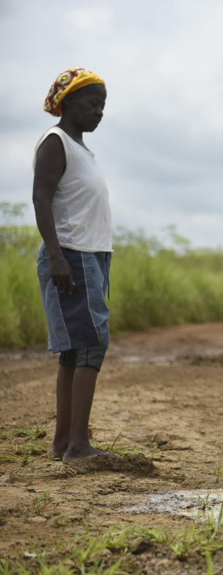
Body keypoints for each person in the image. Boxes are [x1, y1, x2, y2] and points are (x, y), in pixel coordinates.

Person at [32, 67, 112, 462]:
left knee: (75, 350)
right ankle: (78, 446)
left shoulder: (83, 150)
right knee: (90, 345)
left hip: (89, 255)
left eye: (103, 106)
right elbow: (41, 199)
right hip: (72, 255)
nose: (99, 112)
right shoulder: (55, 141)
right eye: (92, 103)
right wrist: (58, 256)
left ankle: (64, 443)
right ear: (67, 103)